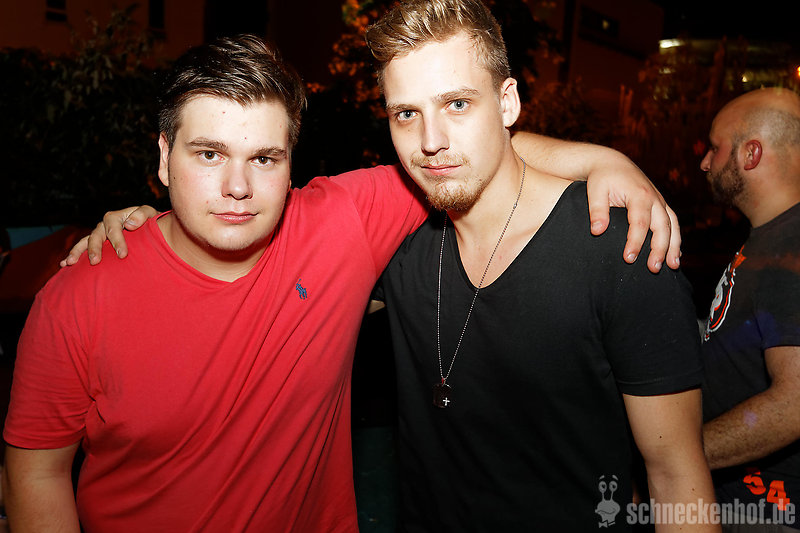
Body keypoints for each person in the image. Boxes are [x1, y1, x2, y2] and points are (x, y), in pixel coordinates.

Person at [3, 34, 678, 533]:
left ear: (291, 162)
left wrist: (606, 161)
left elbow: (463, 154)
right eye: (208, 154)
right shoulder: (81, 295)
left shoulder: (338, 222)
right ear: (163, 155)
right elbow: (35, 475)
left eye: (264, 158)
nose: (237, 186)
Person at [365, 0, 716, 530]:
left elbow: (675, 476)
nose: (430, 142)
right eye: (406, 114)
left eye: (457, 104)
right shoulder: (399, 240)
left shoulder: (619, 248)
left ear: (507, 103)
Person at [699, 87, 800, 531]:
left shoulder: (791, 248)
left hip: (766, 513)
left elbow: (794, 403)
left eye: (715, 148)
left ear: (750, 154)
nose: (705, 162)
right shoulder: (772, 238)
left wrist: (677, 457)